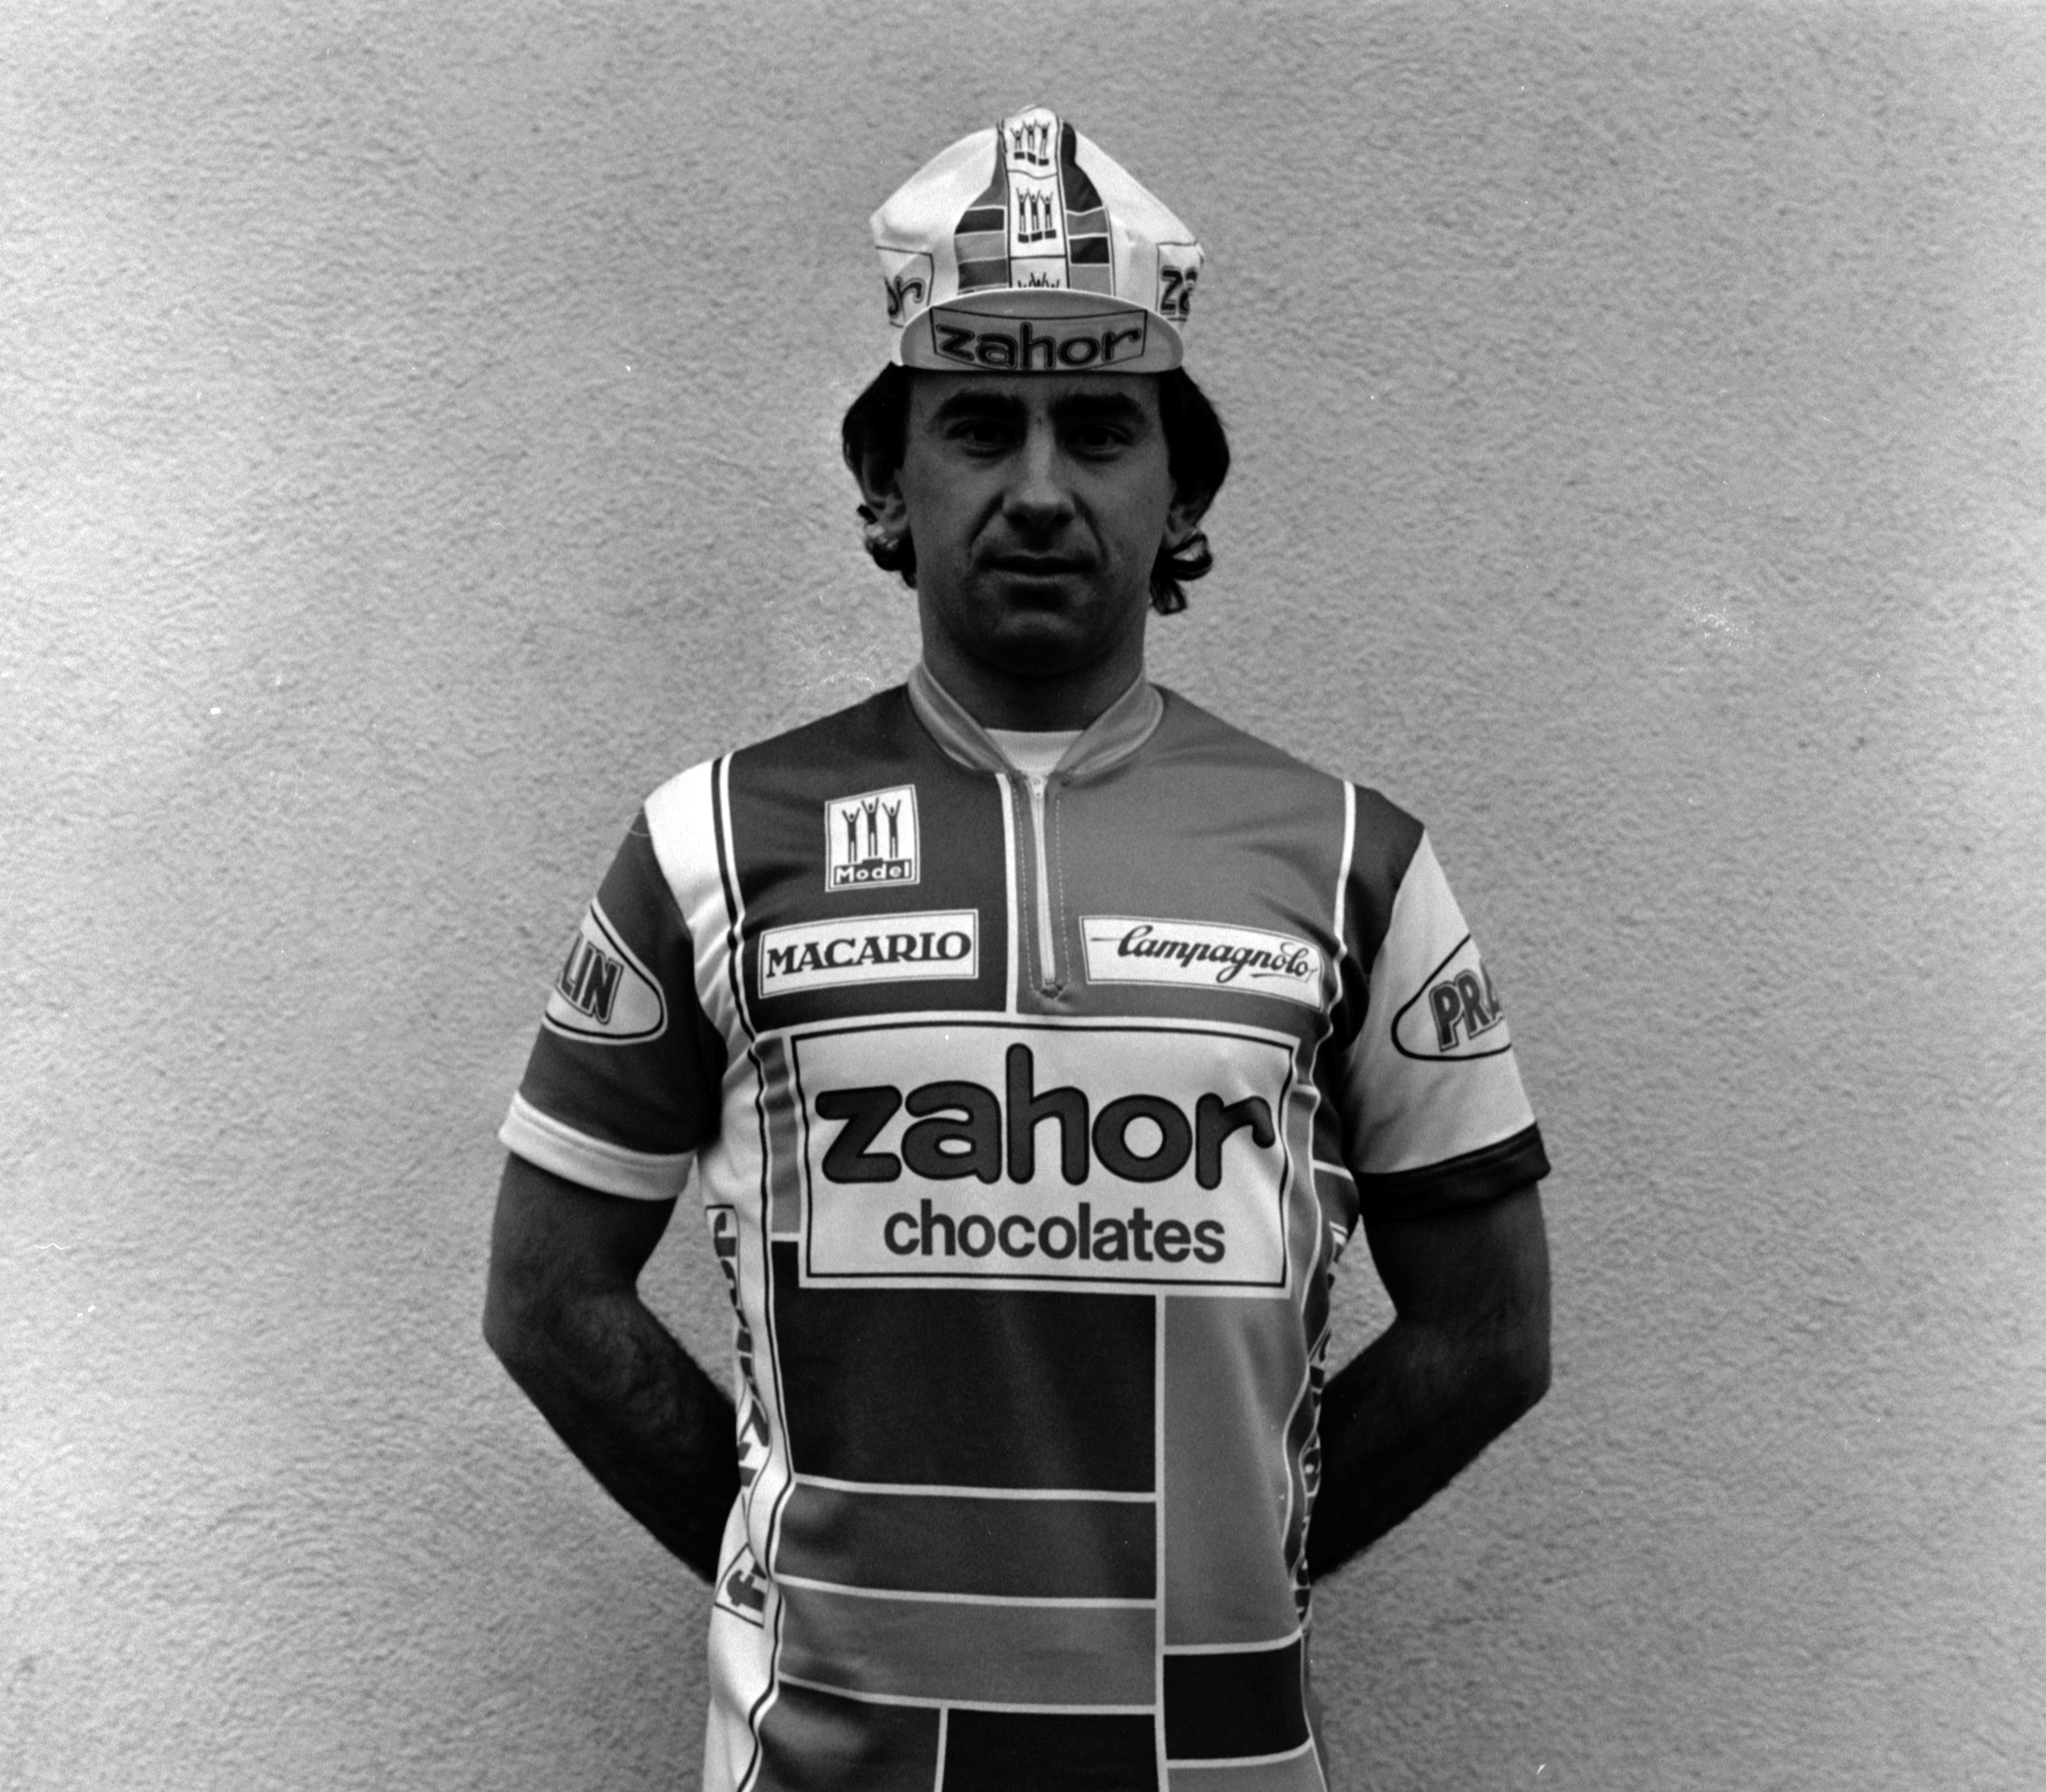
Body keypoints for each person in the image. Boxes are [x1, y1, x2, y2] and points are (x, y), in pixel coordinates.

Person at [483, 105, 1552, 1792]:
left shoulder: (1360, 861)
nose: (1041, 488)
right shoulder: (707, 846)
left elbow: (1491, 1336)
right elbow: (545, 1300)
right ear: (884, 479)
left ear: (1184, 486)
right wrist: (784, 1569)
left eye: (1100, 430)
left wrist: (1237, 1566)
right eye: (980, 425)